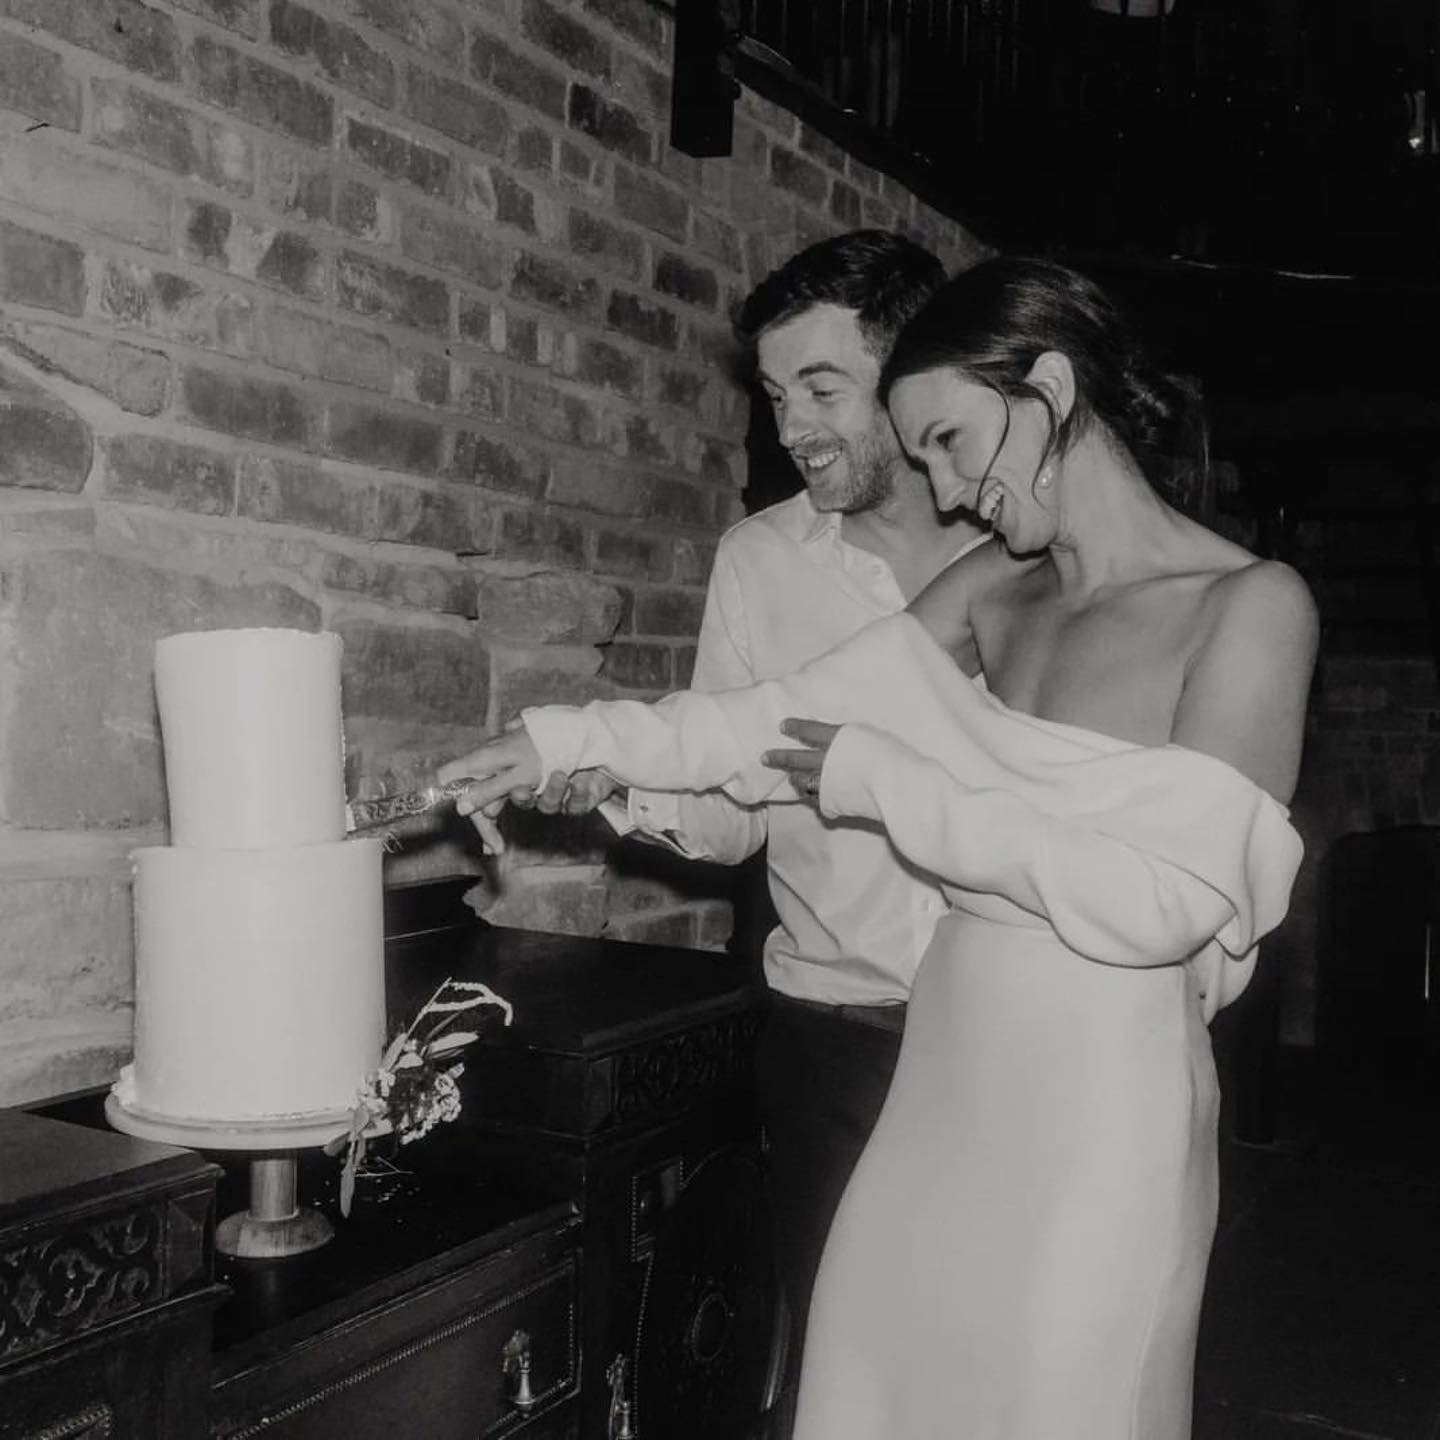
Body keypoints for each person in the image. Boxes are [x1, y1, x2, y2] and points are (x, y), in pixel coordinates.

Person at [439, 256, 1317, 1438]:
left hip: (1102, 1106)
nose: (948, 492)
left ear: (1052, 390)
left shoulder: (1253, 606)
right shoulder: (994, 583)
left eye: (952, 441)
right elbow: (782, 715)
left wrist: (889, 787)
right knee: (863, 1395)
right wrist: (563, 737)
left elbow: (1162, 903)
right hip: (941, 1078)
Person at [500, 228, 987, 1395]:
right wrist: (616, 785)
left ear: (915, 378)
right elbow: (733, 817)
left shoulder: (1017, 543)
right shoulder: (760, 559)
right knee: (845, 1377)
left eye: (822, 388)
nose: (792, 427)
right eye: (775, 396)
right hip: (838, 1040)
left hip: (1012, 1033)